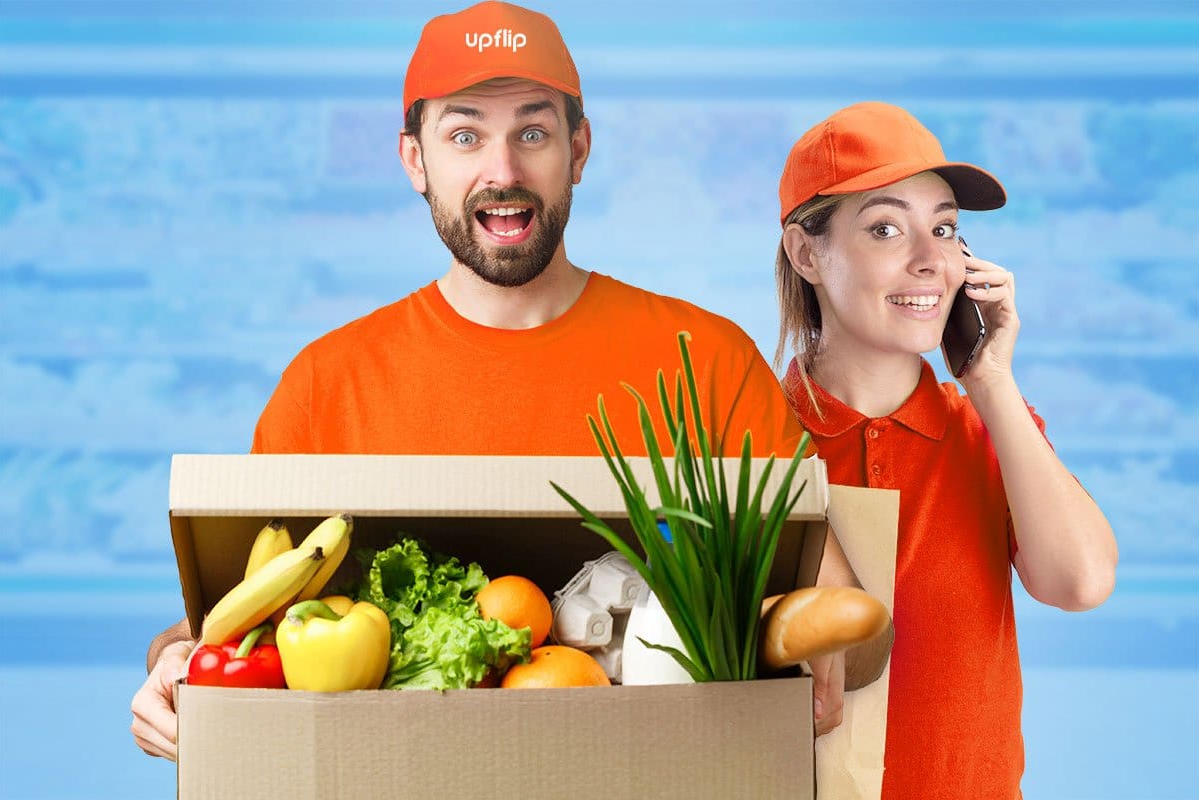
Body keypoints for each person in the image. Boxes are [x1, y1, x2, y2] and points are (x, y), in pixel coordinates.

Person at [131, 2, 892, 761]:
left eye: (534, 133)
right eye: (465, 136)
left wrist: (819, 652)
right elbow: (233, 627)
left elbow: (853, 628)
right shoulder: (326, 385)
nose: (503, 172)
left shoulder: (705, 360)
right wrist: (170, 662)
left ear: (580, 150)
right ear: (413, 160)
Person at [773, 100, 1118, 799]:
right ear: (808, 253)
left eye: (945, 228)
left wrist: (991, 380)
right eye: (886, 228)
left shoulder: (990, 430)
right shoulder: (751, 440)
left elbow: (1079, 583)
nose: (932, 260)